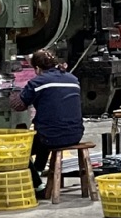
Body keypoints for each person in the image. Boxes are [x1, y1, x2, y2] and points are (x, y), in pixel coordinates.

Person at [10, 49, 84, 197]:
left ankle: (37, 186)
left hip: (51, 136)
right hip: (75, 134)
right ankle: (38, 171)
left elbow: (19, 106)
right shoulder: (73, 79)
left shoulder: (38, 82)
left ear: (37, 68)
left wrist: (12, 94)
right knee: (43, 135)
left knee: (18, 149)